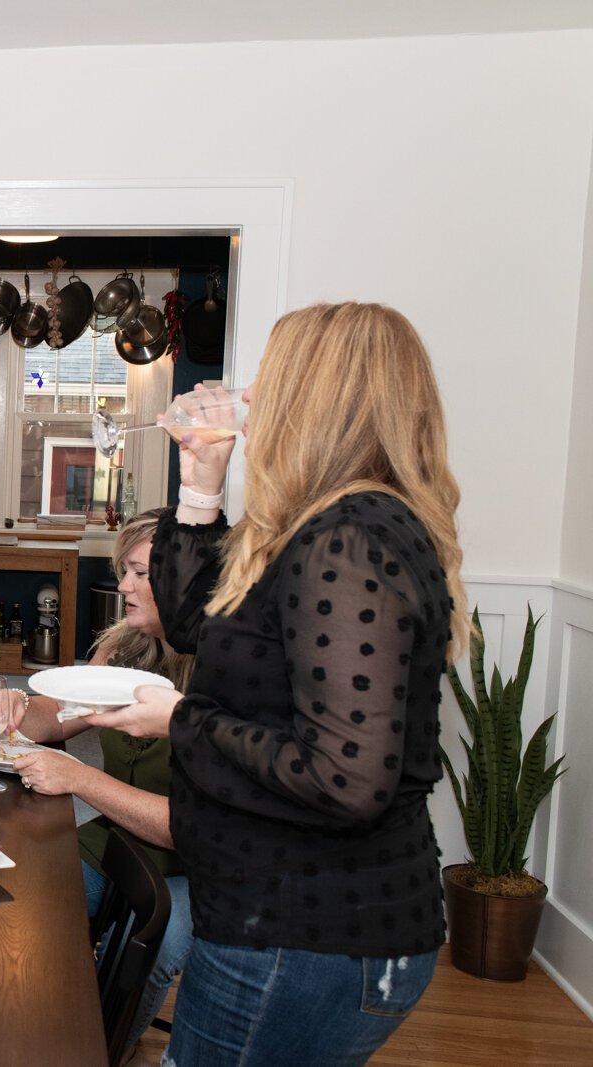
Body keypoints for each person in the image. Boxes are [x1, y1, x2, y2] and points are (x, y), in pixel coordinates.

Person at [81, 303, 467, 1065]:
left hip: (308, 931)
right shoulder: (310, 525)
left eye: (272, 373)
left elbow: (346, 777)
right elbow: (194, 624)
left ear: (318, 395)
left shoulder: (351, 540)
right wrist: (201, 483)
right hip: (277, 919)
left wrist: (181, 719)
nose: (252, 391)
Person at [0, 507, 193, 1054]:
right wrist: (13, 706)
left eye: (139, 573)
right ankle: (28, 1030)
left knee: (150, 952)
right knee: (27, 903)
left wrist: (78, 777)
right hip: (116, 837)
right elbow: (52, 720)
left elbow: (186, 830)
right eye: (123, 570)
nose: (123, 585)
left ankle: (98, 1050)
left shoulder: (220, 674)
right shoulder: (122, 649)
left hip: (197, 868)